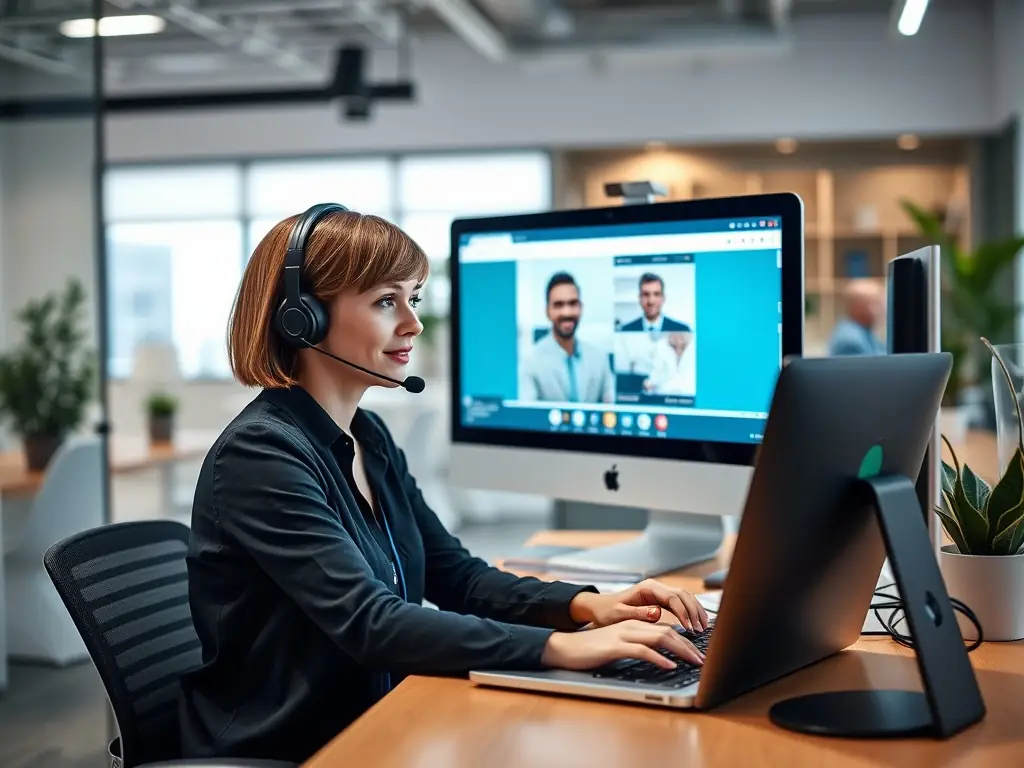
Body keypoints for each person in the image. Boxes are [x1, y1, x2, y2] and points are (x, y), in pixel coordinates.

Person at [178, 207, 708, 764]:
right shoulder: (261, 455)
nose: (414, 323)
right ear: (301, 318)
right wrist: (561, 648)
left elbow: (456, 575)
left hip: (381, 720)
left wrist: (586, 606)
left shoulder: (368, 435)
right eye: (387, 301)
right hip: (295, 748)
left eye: (413, 298)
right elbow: (371, 623)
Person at [519, 271, 615, 403]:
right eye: (559, 305)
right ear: (547, 311)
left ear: (581, 308)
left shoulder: (599, 358)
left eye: (572, 303)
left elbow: (612, 404)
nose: (567, 312)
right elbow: (527, 411)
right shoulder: (531, 361)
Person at [619, 273, 692, 333]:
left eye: (656, 294)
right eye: (646, 294)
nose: (651, 301)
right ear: (639, 298)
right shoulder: (624, 330)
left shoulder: (683, 330)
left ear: (663, 298)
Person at [828, 279, 885, 356]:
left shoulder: (863, 331)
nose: (882, 310)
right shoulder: (850, 341)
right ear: (857, 307)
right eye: (876, 304)